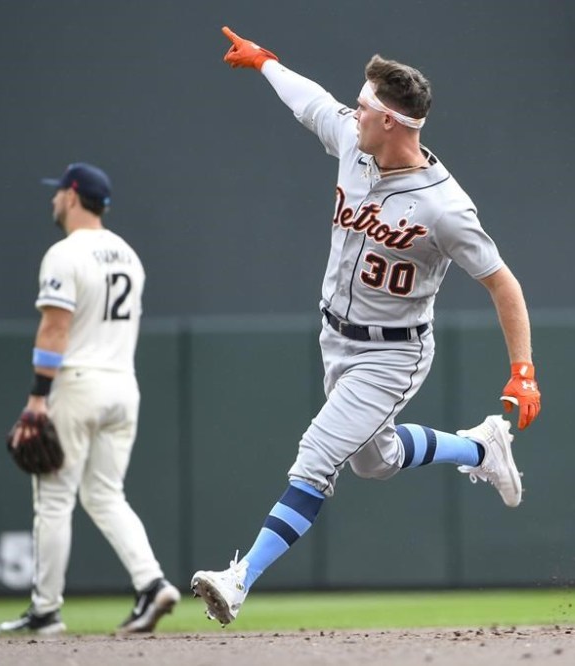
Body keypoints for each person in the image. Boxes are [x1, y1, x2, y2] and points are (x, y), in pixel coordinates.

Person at [190, 28, 542, 627]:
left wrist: (523, 371)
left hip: (393, 354)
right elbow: (310, 102)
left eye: (364, 108)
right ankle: (481, 446)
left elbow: (502, 282)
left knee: (318, 454)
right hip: (336, 338)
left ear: (393, 123)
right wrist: (266, 62)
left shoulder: (444, 205)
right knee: (373, 460)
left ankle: (241, 576)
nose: (353, 114)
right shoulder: (358, 147)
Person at [0, 162, 180, 635]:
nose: (54, 200)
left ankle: (45, 610)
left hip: (78, 382)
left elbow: (55, 327)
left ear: (73, 195)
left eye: (57, 192)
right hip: (123, 383)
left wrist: (38, 397)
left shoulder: (65, 253)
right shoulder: (128, 254)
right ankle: (152, 582)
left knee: (54, 499)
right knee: (105, 493)